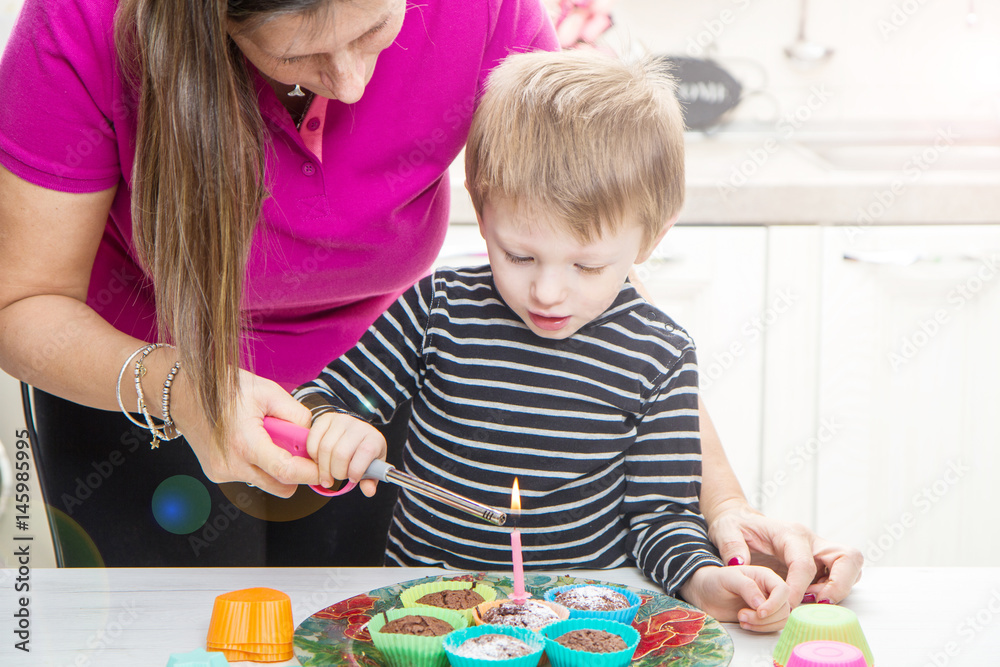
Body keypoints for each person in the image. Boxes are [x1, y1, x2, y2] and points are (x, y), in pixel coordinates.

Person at [0, 0, 862, 600]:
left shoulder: (478, 6)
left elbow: (599, 296)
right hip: (138, 396)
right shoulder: (85, 17)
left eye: (377, 28)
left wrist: (725, 511)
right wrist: (182, 388)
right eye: (299, 52)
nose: (347, 82)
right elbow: (20, 301)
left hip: (374, 429)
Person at [295, 49, 791, 631]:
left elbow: (662, 518)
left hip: (581, 631)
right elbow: (319, 399)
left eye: (587, 266)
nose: (548, 292)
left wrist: (705, 580)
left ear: (650, 239)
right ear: (481, 212)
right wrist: (333, 425)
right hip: (426, 621)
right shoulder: (439, 309)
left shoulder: (659, 353)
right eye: (520, 256)